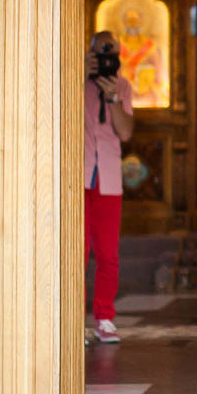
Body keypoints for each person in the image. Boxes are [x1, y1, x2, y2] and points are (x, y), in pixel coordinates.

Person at [83, 30, 134, 343]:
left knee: (107, 253)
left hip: (109, 176)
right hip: (78, 174)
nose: (104, 58)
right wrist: (77, 76)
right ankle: (73, 320)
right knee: (77, 251)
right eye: (99, 52)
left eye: (110, 52)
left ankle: (104, 318)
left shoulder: (123, 86)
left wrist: (114, 96)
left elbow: (125, 132)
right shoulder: (73, 82)